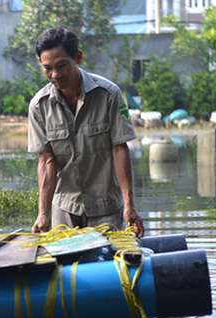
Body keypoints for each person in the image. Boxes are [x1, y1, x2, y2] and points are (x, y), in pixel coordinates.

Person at [28, 28, 145, 237]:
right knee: (66, 266)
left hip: (106, 208)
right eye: (48, 68)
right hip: (64, 210)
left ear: (78, 57)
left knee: (106, 264)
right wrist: (43, 214)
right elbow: (46, 161)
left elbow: (120, 149)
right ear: (40, 63)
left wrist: (129, 206)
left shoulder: (109, 95)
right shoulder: (39, 106)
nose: (55, 75)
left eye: (62, 65)